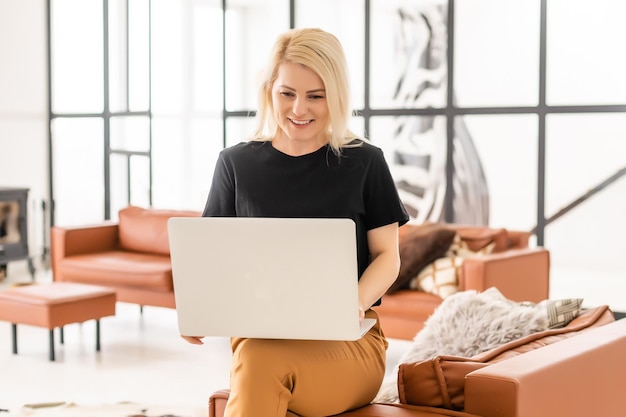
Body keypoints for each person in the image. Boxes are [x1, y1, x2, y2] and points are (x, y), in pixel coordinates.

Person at [182, 27, 409, 417]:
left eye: (315, 96)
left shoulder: (365, 163)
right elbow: (211, 256)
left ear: (335, 95)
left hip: (350, 346)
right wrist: (196, 308)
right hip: (260, 338)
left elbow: (388, 257)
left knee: (257, 361)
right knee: (257, 354)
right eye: (287, 93)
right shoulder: (235, 165)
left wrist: (352, 302)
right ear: (269, 89)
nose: (299, 109)